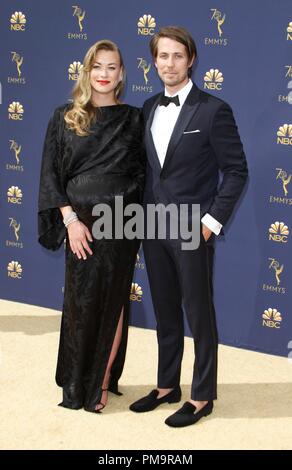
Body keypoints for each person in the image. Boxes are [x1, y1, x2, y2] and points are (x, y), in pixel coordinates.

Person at [129, 26, 248, 427]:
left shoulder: (214, 110)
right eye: (162, 56)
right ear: (154, 61)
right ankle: (167, 386)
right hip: (153, 225)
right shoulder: (147, 107)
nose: (169, 64)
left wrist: (209, 224)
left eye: (177, 56)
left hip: (192, 229)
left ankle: (201, 396)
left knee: (198, 314)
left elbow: (236, 171)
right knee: (165, 311)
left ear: (191, 59)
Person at [38, 40, 145, 413]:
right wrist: (70, 221)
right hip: (79, 226)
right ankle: (75, 380)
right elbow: (51, 175)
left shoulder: (134, 119)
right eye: (97, 66)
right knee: (81, 303)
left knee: (113, 302)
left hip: (120, 226)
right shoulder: (64, 116)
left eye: (112, 67)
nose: (103, 74)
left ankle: (98, 383)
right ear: (87, 71)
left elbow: (145, 174)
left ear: (122, 74)